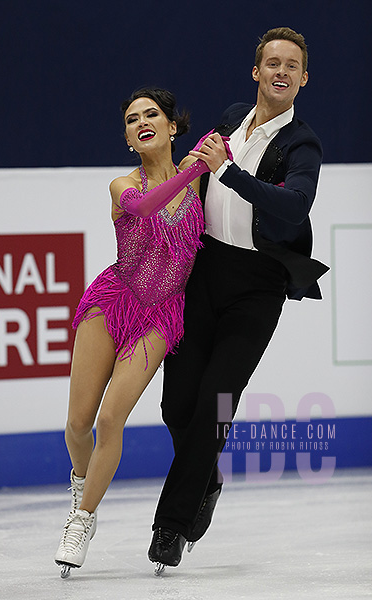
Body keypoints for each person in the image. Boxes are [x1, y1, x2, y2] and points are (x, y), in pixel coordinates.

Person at [148, 27, 329, 571]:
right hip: (203, 272)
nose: (280, 71)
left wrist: (229, 169)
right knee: (177, 404)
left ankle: (171, 527)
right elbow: (193, 173)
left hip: (257, 287)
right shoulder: (230, 117)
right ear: (256, 72)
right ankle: (209, 478)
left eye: (290, 65)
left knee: (216, 405)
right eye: (271, 62)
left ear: (302, 78)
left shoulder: (304, 144)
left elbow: (293, 207)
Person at [54, 87, 218, 578]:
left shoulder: (204, 188)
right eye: (131, 119)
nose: (141, 122)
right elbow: (145, 209)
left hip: (161, 318)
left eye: (152, 114)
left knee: (109, 421)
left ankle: (81, 520)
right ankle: (83, 482)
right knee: (77, 425)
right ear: (128, 138)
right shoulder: (121, 184)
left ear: (172, 126)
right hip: (111, 303)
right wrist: (194, 167)